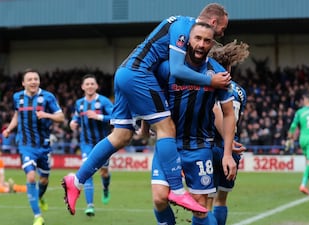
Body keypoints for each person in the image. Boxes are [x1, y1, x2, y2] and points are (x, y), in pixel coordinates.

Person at [62, 3, 236, 216]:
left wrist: (144, 127)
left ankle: (77, 180)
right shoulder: (185, 27)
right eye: (222, 29)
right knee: (166, 128)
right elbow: (178, 69)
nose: (221, 34)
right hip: (139, 75)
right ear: (213, 22)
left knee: (121, 136)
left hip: (125, 72)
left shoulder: (180, 24)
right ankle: (178, 189)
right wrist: (211, 81)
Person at [151, 22, 236, 225]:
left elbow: (228, 114)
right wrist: (146, 126)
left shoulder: (218, 73)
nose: (201, 44)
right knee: (159, 198)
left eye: (207, 41)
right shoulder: (167, 68)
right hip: (168, 143)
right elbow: (151, 97)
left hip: (199, 147)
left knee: (199, 209)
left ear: (212, 44)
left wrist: (227, 153)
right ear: (188, 39)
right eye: (197, 38)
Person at [2, 69, 65, 225]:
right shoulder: (17, 97)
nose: (33, 82)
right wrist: (10, 128)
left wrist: (47, 115)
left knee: (43, 180)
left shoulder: (48, 97)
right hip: (25, 144)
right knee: (31, 176)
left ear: (39, 81)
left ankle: (40, 196)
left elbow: (61, 117)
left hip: (44, 146)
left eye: (35, 79)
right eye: (29, 79)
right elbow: (17, 115)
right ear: (23, 83)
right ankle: (38, 216)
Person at [208, 40, 249, 225]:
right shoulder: (241, 92)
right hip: (231, 149)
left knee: (205, 202)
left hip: (209, 144)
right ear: (229, 67)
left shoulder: (210, 85)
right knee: (221, 199)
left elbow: (216, 111)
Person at [69, 74, 114, 216]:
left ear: (96, 86)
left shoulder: (104, 101)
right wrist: (73, 123)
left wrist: (98, 116)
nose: (89, 86)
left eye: (92, 84)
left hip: (103, 143)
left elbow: (115, 117)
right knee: (88, 171)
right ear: (83, 87)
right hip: (86, 143)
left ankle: (105, 188)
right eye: (87, 84)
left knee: (104, 172)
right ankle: (90, 205)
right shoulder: (79, 103)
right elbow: (76, 117)